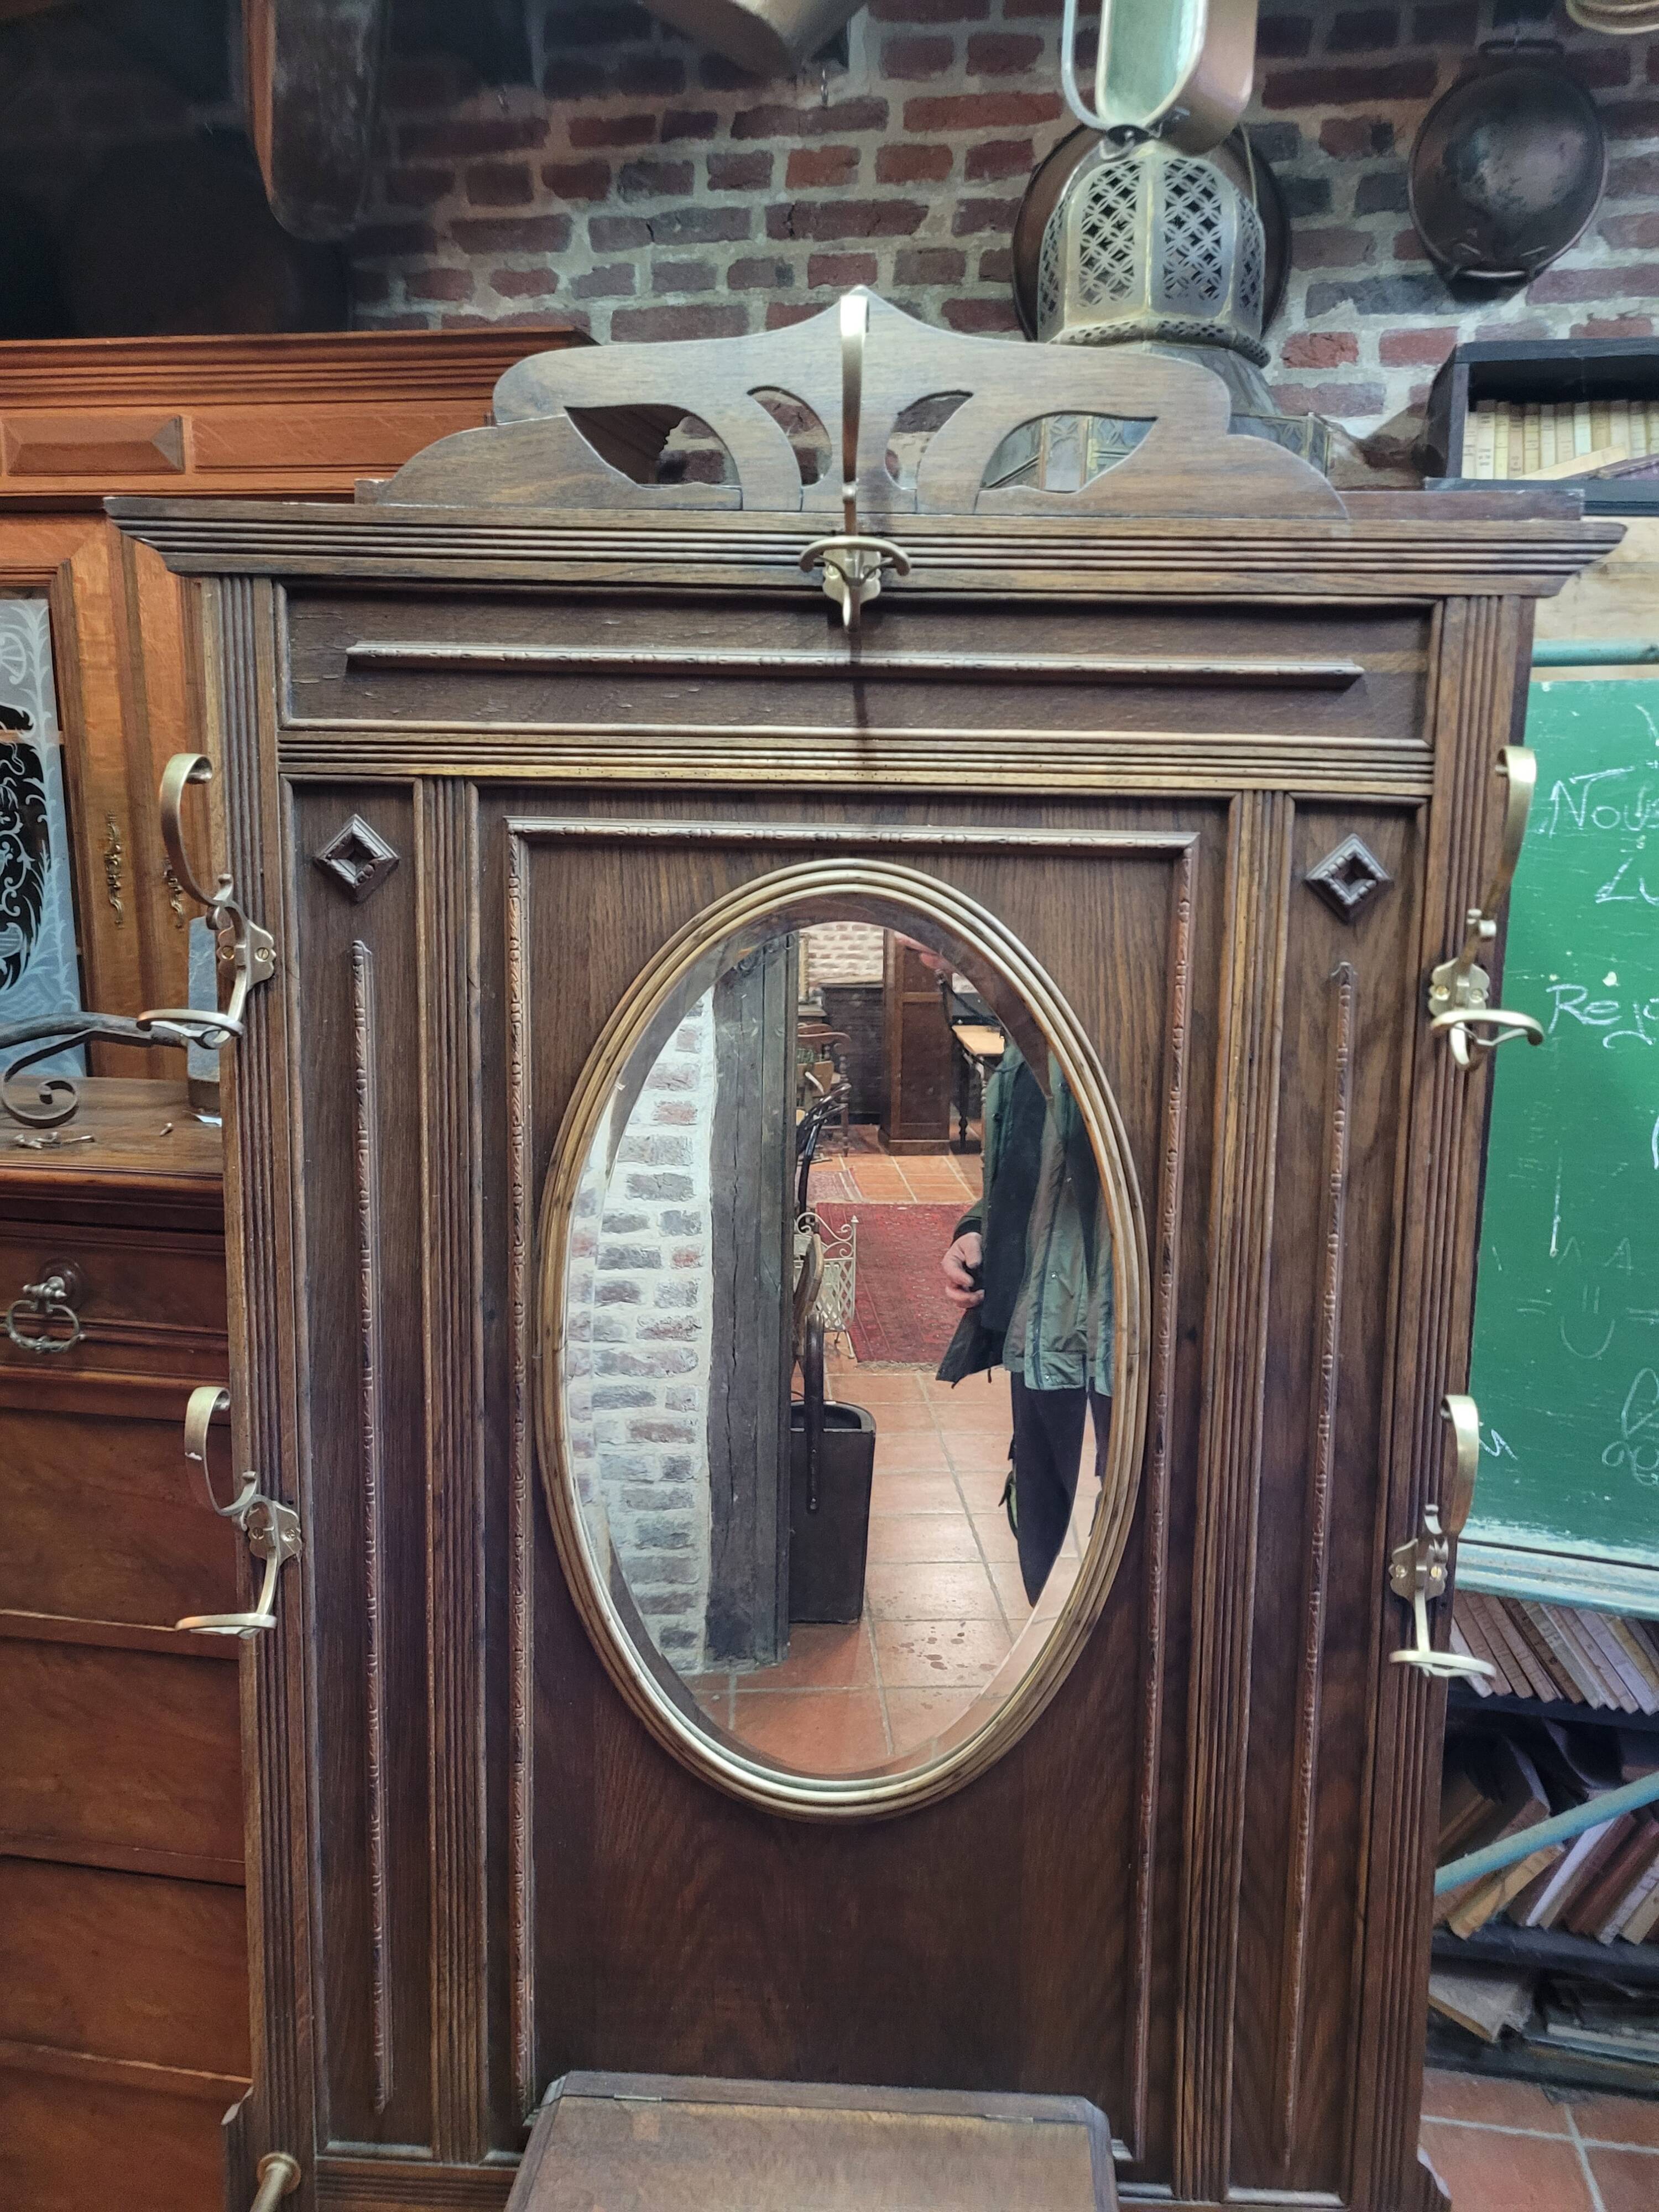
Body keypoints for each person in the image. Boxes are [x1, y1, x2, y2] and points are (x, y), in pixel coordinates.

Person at [937, 1040, 1113, 1605]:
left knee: (1114, 1553)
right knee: (1043, 1526)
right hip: (1037, 1326)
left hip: (1111, 1338)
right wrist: (979, 1225)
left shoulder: (1110, 1022)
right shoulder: (1027, 1031)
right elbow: (1030, 1167)